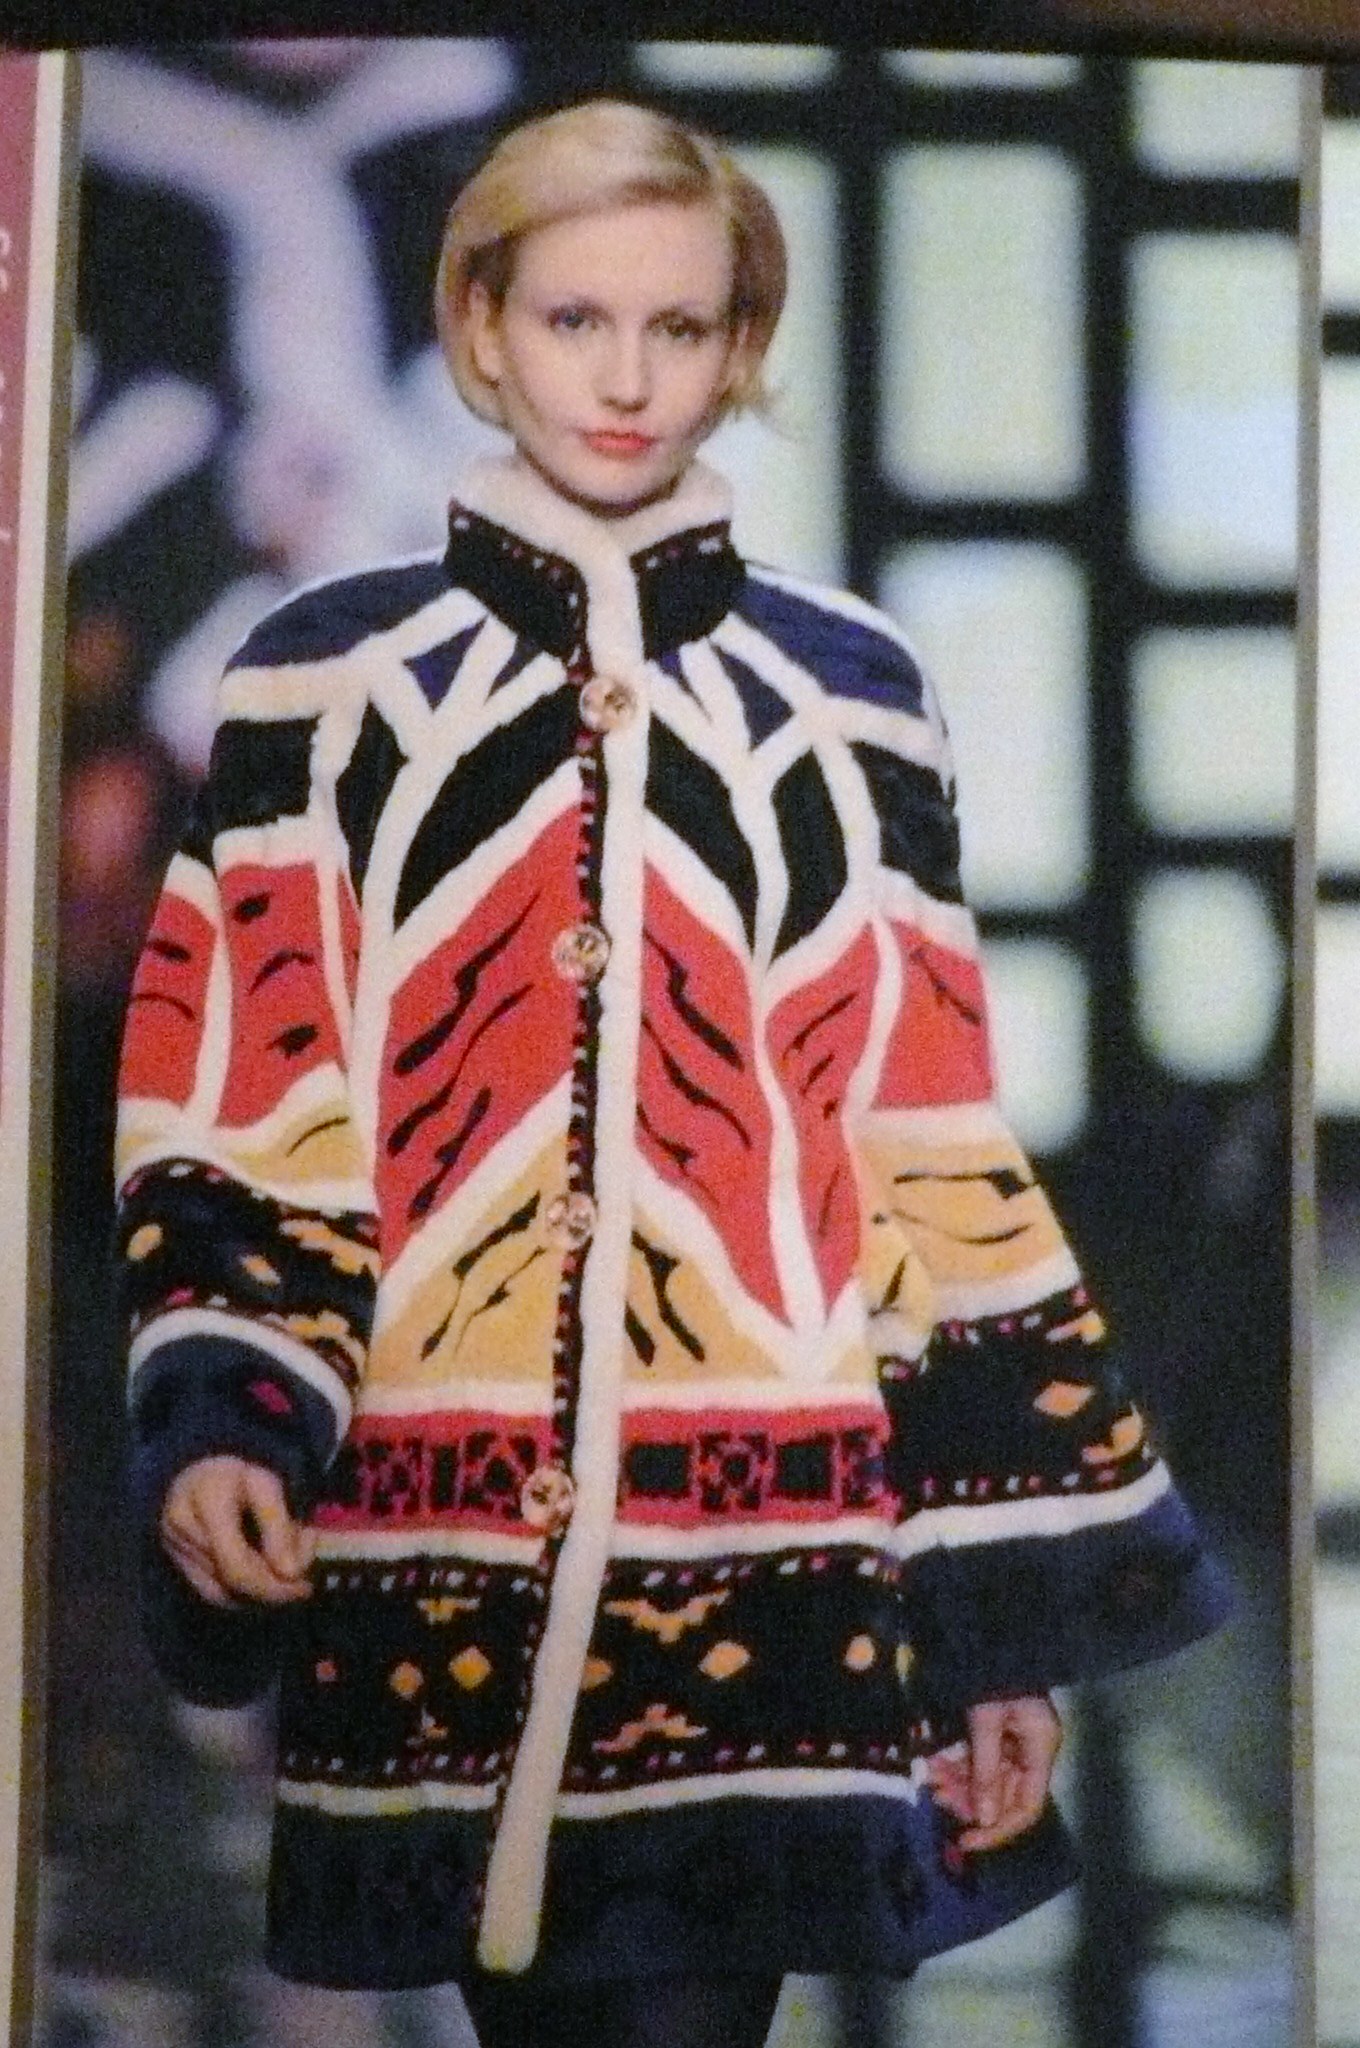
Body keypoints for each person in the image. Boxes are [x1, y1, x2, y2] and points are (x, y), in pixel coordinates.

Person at [115, 98, 1228, 2048]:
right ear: (478, 327)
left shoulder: (850, 691)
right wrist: (230, 1412)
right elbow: (248, 1094)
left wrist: (992, 1624)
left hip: (773, 1558)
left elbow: (925, 1150)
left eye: (678, 326)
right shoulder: (323, 681)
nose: (625, 380)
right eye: (573, 320)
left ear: (738, 346)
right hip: (440, 1553)